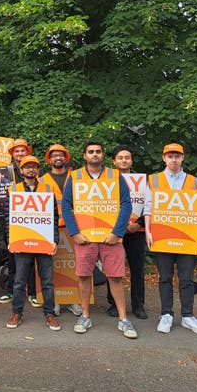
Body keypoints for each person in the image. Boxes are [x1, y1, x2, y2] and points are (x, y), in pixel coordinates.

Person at [62, 141, 138, 339]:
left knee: (115, 277)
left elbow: (126, 204)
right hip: (85, 238)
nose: (94, 154)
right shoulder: (75, 176)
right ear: (85, 155)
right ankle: (85, 315)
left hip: (110, 238)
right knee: (84, 276)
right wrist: (75, 233)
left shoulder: (115, 176)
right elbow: (66, 206)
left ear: (103, 155)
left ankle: (123, 319)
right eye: (91, 152)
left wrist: (117, 232)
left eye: (98, 152)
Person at [144, 143, 197, 335]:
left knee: (187, 278)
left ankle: (188, 316)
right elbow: (148, 207)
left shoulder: (194, 182)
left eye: (177, 156)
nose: (173, 160)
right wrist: (148, 231)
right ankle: (166, 315)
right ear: (164, 158)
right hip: (162, 236)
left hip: (188, 237)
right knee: (165, 278)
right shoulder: (154, 180)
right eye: (170, 156)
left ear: (183, 158)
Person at [5, 155, 61, 331]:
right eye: (26, 167)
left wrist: (55, 240)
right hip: (21, 242)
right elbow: (8, 217)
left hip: (43, 242)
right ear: (21, 170)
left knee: (47, 282)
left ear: (38, 170)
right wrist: (10, 239)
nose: (30, 170)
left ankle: (49, 314)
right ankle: (17, 313)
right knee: (19, 281)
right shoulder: (13, 189)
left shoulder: (47, 189)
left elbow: (54, 217)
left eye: (34, 167)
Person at [105, 145, 147, 319]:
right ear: (114, 161)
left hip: (136, 231)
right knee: (113, 269)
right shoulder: (106, 181)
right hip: (115, 231)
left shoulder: (144, 181)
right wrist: (118, 227)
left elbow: (150, 204)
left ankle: (138, 306)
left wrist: (138, 223)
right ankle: (114, 305)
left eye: (127, 157)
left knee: (137, 270)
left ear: (132, 160)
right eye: (120, 157)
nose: (124, 160)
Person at [41, 144, 82, 317]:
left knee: (75, 266)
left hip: (75, 226)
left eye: (61, 155)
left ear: (66, 158)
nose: (58, 158)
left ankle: (74, 300)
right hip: (52, 227)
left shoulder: (77, 177)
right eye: (54, 155)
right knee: (54, 267)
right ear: (49, 160)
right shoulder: (42, 180)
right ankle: (55, 300)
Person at [0, 138, 37, 306]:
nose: (20, 153)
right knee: (12, 257)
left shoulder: (34, 169)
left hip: (33, 219)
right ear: (12, 154)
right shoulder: (5, 171)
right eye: (17, 151)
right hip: (12, 219)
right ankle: (10, 290)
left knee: (32, 258)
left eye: (22, 150)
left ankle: (33, 292)